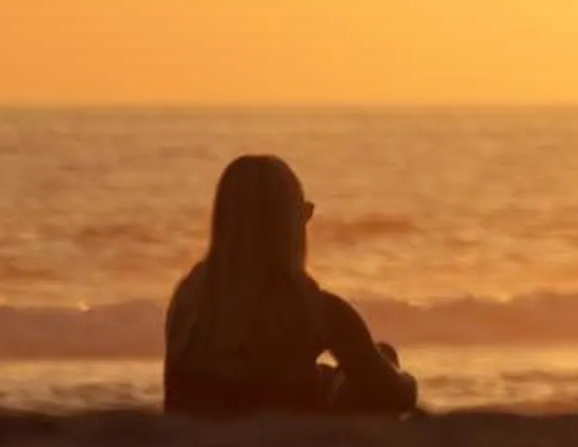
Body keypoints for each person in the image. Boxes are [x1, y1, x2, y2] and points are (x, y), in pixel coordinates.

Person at [164, 155, 418, 416]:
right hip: (287, 444)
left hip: (201, 444)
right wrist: (406, 378)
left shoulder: (188, 301)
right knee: (382, 357)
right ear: (288, 225)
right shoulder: (316, 310)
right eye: (303, 214)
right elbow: (393, 394)